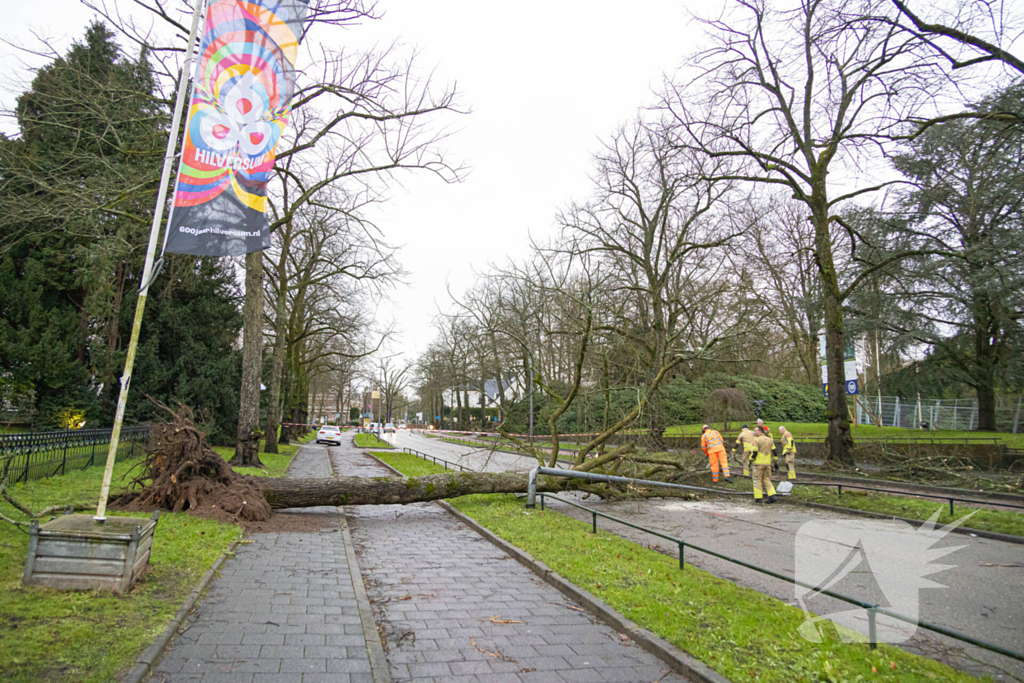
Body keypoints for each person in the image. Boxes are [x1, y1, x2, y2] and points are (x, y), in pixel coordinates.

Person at [752, 426, 777, 503]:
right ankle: (772, 495)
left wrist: (750, 460)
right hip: (768, 463)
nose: (754, 432)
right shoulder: (770, 440)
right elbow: (774, 452)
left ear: (760, 432)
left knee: (757, 479)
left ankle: (758, 497)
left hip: (758, 463)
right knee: (766, 479)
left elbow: (755, 453)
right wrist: (775, 462)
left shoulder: (756, 440)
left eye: (756, 431)